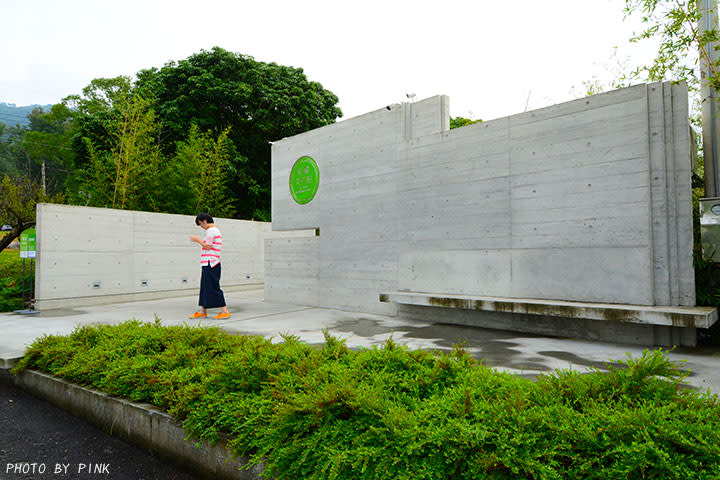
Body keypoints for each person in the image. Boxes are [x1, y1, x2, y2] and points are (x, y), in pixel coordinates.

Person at [189, 212, 230, 319]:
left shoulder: (211, 231)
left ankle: (225, 311)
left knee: (213, 287)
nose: (202, 227)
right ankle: (203, 311)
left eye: (201, 224)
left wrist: (197, 240)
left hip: (211, 263)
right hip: (210, 262)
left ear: (205, 221)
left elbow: (207, 246)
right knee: (205, 287)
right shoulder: (215, 230)